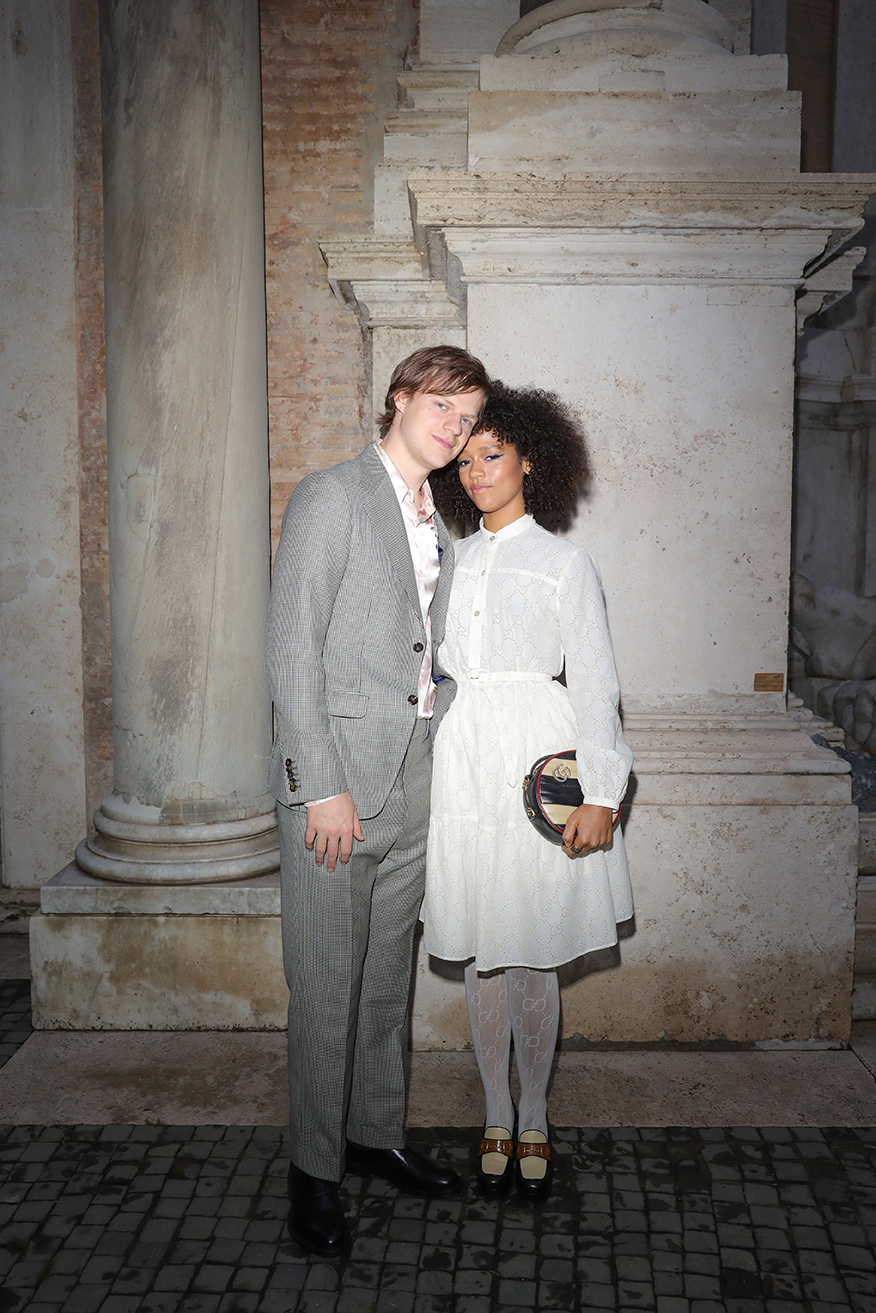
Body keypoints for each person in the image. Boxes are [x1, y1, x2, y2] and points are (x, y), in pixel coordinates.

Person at [265, 345, 489, 1256]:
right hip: (338, 794)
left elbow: (424, 651)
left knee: (386, 986)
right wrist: (318, 784)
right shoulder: (332, 496)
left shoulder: (442, 515)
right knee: (325, 990)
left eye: (469, 418)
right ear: (398, 398)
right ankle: (313, 1175)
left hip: (416, 786)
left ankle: (375, 1133)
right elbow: (291, 650)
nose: (455, 427)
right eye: (442, 405)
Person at [422, 383, 633, 1202]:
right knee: (483, 941)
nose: (477, 472)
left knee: (532, 944)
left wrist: (602, 794)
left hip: (539, 755)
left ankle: (537, 1112)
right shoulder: (452, 561)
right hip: (465, 760)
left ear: (530, 460)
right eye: (466, 459)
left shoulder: (564, 563)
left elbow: (598, 685)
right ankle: (495, 1110)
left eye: (493, 455)